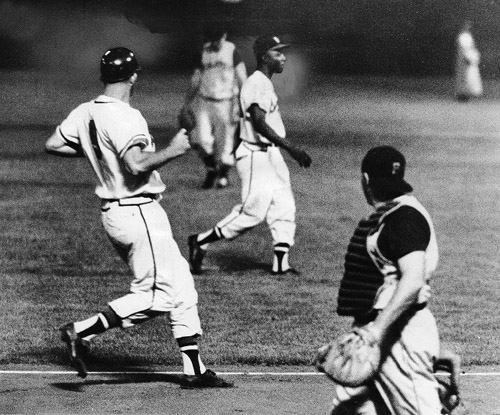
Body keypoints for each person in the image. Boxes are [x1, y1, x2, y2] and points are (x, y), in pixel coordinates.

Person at [44, 47, 233, 388]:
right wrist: (175, 149)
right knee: (158, 294)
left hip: (118, 215)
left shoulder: (86, 111)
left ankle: (194, 370)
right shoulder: (125, 116)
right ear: (133, 75)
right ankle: (80, 331)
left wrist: (97, 151)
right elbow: (136, 164)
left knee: (182, 286)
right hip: (138, 212)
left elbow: (54, 144)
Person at [330, 146, 442, 414]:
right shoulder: (395, 214)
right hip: (380, 331)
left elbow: (413, 281)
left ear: (365, 180)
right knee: (349, 410)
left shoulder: (403, 217)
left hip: (395, 335)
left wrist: (376, 331)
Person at [187, 35, 312, 276]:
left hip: (271, 155)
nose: (283, 57)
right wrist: (292, 148)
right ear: (264, 56)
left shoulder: (264, 82)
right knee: (252, 213)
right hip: (256, 157)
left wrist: (283, 150)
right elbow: (259, 123)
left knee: (284, 206)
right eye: (277, 52)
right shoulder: (256, 84)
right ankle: (200, 241)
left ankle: (281, 262)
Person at [182, 27, 247, 189]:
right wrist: (186, 103)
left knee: (225, 142)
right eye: (213, 39)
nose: (216, 42)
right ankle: (212, 169)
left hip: (227, 102)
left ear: (224, 36)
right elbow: (196, 79)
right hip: (204, 102)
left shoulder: (231, 50)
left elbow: (242, 78)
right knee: (201, 139)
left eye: (219, 38)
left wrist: (240, 105)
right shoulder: (204, 51)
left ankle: (223, 175)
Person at [455, 20, 483, 102]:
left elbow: (471, 47)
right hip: (464, 58)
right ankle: (462, 95)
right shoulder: (463, 36)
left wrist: (473, 56)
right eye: (466, 25)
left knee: (469, 76)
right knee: (463, 76)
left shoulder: (468, 36)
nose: (468, 27)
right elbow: (464, 48)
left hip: (469, 56)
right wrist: (467, 57)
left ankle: (468, 93)